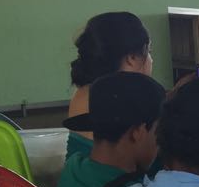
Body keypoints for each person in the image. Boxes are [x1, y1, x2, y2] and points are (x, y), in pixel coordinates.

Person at [66, 12, 155, 160]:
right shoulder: (129, 99)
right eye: (149, 52)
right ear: (131, 58)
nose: (151, 60)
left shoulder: (82, 93)